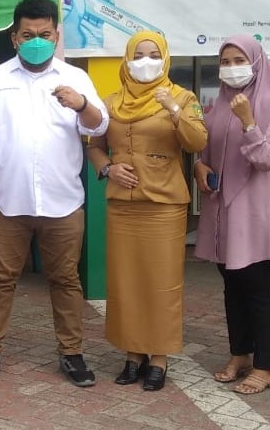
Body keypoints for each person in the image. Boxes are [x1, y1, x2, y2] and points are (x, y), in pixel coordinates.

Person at [0, 0, 108, 387]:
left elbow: (98, 126)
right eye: (28, 35)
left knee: (65, 280)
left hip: (63, 203)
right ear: (14, 38)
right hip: (7, 203)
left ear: (57, 35)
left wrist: (81, 105)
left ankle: (72, 354)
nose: (37, 41)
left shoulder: (75, 79)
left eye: (45, 34)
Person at [86, 30, 207, 391]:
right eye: (138, 55)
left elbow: (197, 141)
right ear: (126, 59)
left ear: (165, 59)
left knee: (161, 283)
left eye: (154, 55)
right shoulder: (111, 102)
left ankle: (159, 357)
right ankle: (133, 353)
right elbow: (94, 146)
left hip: (164, 204)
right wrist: (108, 168)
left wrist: (172, 109)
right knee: (126, 282)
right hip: (123, 206)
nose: (145, 62)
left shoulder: (182, 97)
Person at [193, 34, 270, 395]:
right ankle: (241, 353)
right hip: (223, 213)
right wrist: (199, 167)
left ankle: (267, 365)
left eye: (239, 61)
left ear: (258, 64)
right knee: (232, 288)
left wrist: (248, 121)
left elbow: (268, 160)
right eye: (226, 62)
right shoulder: (218, 106)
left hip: (257, 214)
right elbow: (206, 152)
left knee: (259, 290)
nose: (232, 69)